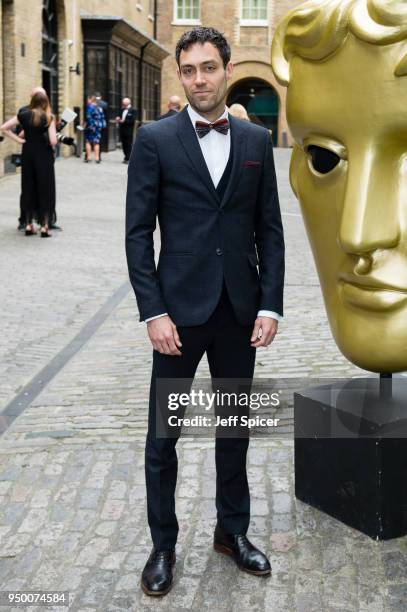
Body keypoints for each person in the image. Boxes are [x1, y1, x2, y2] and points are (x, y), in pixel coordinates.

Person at [126, 27, 284, 596]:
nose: (199, 79)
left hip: (240, 313)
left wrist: (270, 305)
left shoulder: (255, 141)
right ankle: (163, 546)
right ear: (180, 75)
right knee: (163, 437)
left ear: (225, 68)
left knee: (234, 431)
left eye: (209, 68)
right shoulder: (155, 140)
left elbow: (270, 228)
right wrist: (153, 312)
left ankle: (231, 533)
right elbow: (138, 233)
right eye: (189, 70)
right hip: (178, 316)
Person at [1, 90, 57, 237]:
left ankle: (28, 224)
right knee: (45, 188)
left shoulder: (24, 115)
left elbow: (4, 128)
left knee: (28, 188)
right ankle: (45, 226)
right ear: (45, 103)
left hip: (28, 154)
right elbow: (53, 141)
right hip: (44, 156)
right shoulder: (49, 117)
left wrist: (19, 140)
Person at [84, 95, 105, 163]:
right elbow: (102, 118)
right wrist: (101, 126)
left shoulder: (90, 107)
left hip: (91, 127)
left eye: (88, 99)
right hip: (98, 127)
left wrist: (88, 125)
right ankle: (97, 158)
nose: (87, 101)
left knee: (88, 141)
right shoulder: (99, 108)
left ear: (91, 100)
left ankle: (88, 157)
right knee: (96, 142)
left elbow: (88, 117)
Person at [116, 98, 137, 163]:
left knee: (128, 144)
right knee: (124, 144)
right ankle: (126, 157)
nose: (123, 104)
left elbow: (132, 120)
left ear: (128, 103)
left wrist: (124, 121)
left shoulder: (133, 110)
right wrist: (118, 118)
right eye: (123, 103)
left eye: (124, 103)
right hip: (122, 130)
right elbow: (119, 116)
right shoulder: (122, 109)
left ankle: (129, 158)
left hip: (129, 130)